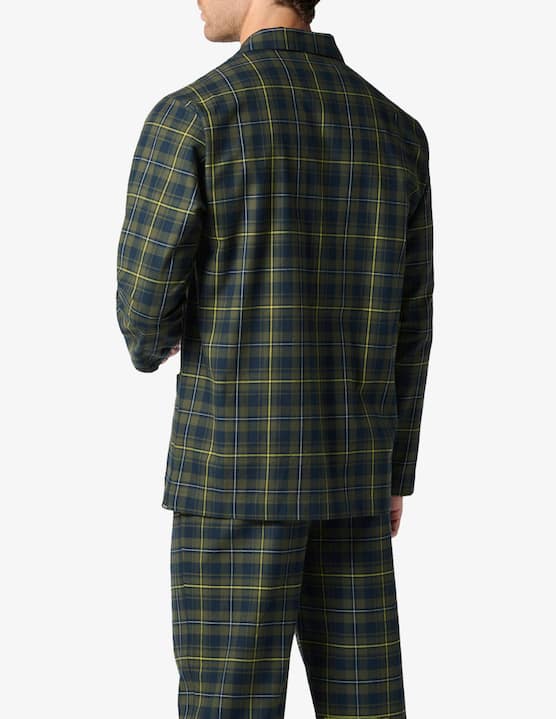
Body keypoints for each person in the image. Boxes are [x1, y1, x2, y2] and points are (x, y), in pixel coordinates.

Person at [115, 0, 434, 716]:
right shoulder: (394, 129)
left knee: (227, 707)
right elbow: (412, 324)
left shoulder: (195, 116)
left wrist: (162, 335)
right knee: (365, 706)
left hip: (233, 476)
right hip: (356, 476)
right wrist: (395, 469)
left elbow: (143, 318)